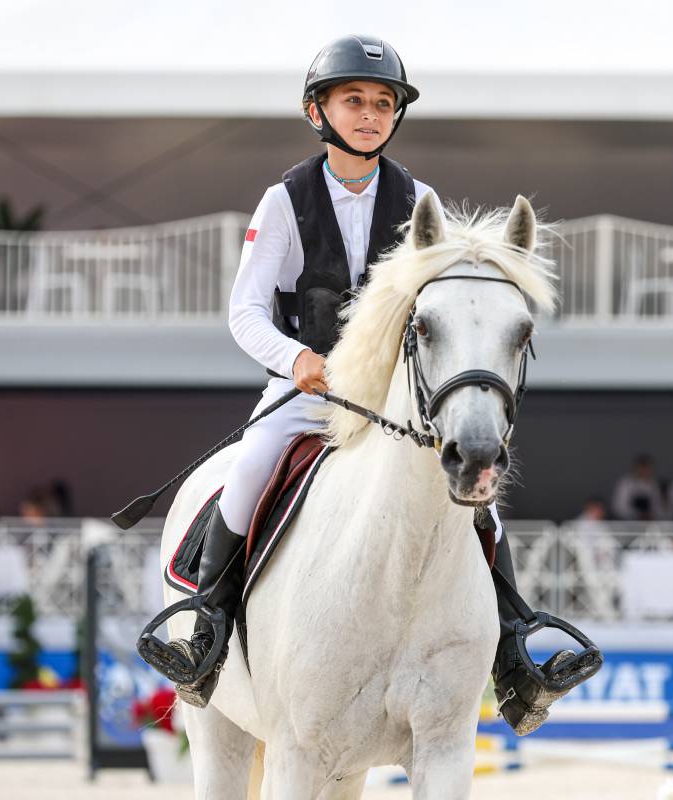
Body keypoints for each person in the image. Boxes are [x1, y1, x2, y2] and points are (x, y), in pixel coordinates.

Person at [153, 36, 597, 733]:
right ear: (317, 111)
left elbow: (439, 305)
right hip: (311, 389)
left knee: (481, 505)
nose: (369, 115)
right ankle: (208, 626)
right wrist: (293, 356)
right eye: (353, 100)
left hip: (395, 398)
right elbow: (244, 309)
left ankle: (514, 653)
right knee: (252, 467)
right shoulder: (284, 200)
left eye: (382, 103)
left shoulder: (420, 200)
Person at [611, 453, 665, 521]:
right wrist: (638, 514)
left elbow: (658, 507)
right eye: (643, 466)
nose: (645, 470)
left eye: (648, 467)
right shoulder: (625, 483)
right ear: (636, 467)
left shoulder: (653, 485)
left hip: (648, 524)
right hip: (628, 523)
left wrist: (651, 514)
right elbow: (619, 507)